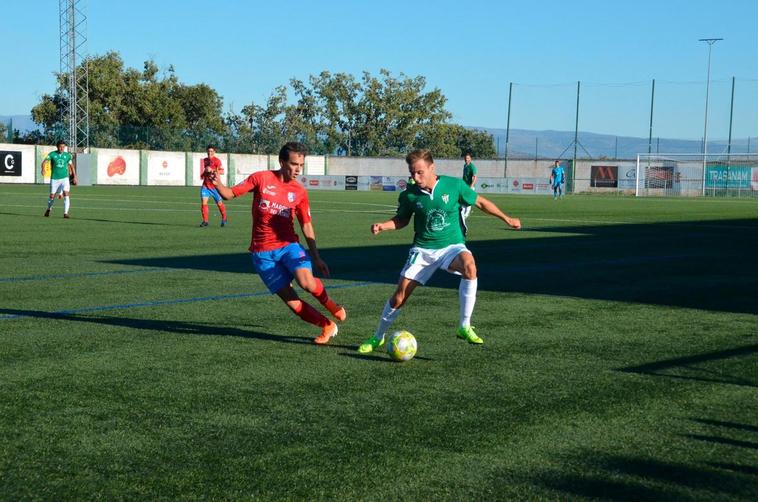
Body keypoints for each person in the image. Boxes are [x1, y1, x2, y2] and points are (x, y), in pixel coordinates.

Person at [358, 149, 521, 353]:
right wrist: (383, 225)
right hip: (423, 250)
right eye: (412, 173)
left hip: (451, 246)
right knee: (399, 296)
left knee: (470, 266)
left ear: (431, 168)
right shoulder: (409, 195)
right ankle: (378, 337)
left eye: (419, 172)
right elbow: (401, 220)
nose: (415, 178)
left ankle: (464, 326)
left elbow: (480, 202)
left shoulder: (454, 185)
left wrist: (507, 218)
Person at [212, 142, 346, 344]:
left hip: (288, 246)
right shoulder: (261, 178)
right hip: (261, 253)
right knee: (292, 302)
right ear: (282, 162)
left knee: (306, 282)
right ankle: (327, 325)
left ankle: (331, 305)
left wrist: (317, 257)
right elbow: (229, 194)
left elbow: (306, 225)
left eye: (301, 164)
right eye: (294, 164)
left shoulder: (299, 192)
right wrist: (217, 183)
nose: (298, 169)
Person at [42, 140, 77, 218]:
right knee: (52, 196)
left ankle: (66, 213)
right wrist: (43, 169)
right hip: (54, 178)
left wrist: (75, 177)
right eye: (60, 146)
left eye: (63, 147)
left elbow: (71, 166)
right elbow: (44, 162)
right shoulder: (52, 154)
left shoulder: (67, 155)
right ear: (57, 147)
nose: (62, 148)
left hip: (65, 178)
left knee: (66, 194)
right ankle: (48, 209)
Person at [199, 145, 228, 227]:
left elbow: (222, 171)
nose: (209, 153)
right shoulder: (204, 160)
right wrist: (204, 174)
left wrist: (212, 170)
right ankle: (205, 221)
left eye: (211, 151)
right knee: (204, 203)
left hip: (215, 186)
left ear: (214, 152)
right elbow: (206, 171)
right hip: (205, 186)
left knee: (219, 203)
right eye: (208, 151)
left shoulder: (217, 161)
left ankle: (224, 217)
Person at [460, 152, 477, 222]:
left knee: (468, 200)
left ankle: (466, 214)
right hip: (464, 186)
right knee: (463, 200)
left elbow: (475, 177)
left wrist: (471, 186)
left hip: (469, 186)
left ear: (470, 159)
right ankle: (463, 213)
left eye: (467, 158)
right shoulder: (465, 165)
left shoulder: (472, 167)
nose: (466, 159)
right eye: (465, 158)